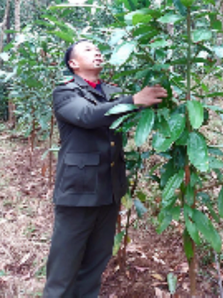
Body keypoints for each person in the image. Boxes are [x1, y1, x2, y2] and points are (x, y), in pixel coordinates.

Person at [42, 40, 167, 297]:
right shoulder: (65, 93)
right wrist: (134, 100)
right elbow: (88, 115)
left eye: (98, 49)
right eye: (88, 50)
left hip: (109, 191)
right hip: (78, 192)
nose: (97, 52)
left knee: (94, 267)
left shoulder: (111, 92)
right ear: (73, 64)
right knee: (63, 271)